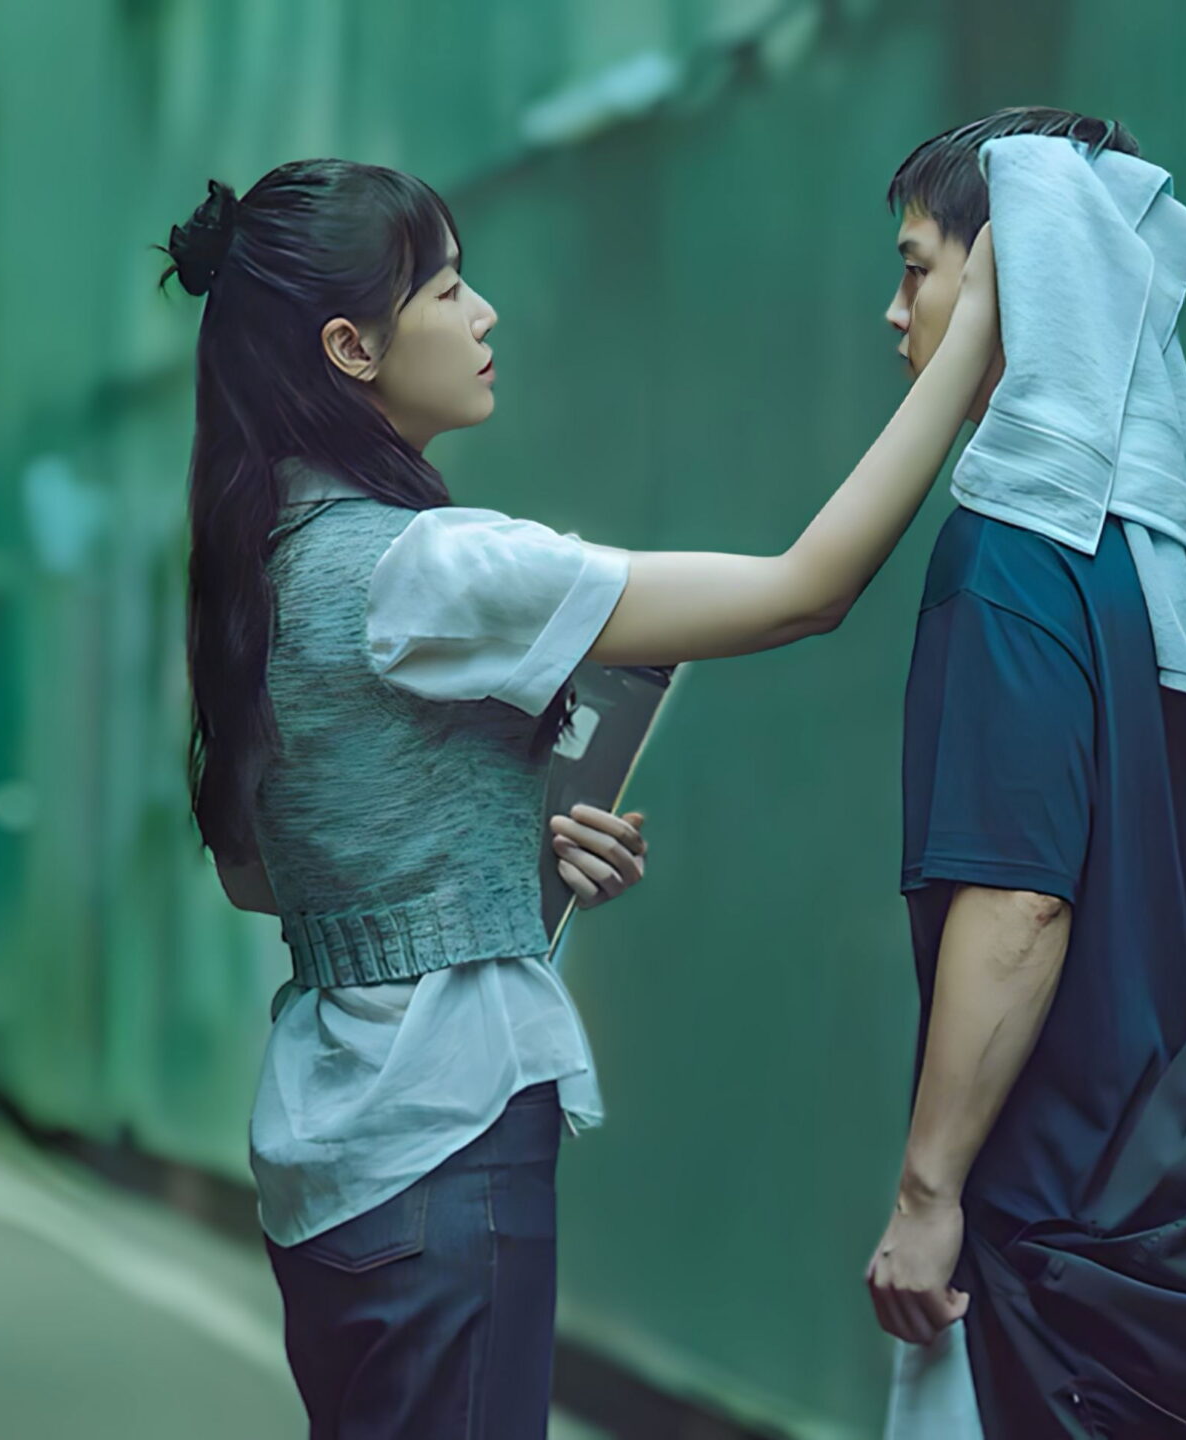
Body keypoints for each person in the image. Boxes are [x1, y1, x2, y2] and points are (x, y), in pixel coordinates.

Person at [160, 158, 995, 1438]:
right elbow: (804, 589)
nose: (483, 312)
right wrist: (973, 335)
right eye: (446, 289)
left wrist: (507, 845)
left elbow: (262, 873)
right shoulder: (430, 567)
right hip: (446, 1135)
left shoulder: (263, 557)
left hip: (328, 1156)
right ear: (351, 348)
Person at [859, 109, 1186, 1437]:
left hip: (1051, 1247)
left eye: (916, 270)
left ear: (1019, 273)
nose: (894, 313)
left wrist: (927, 1195)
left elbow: (1019, 903)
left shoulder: (1012, 559)